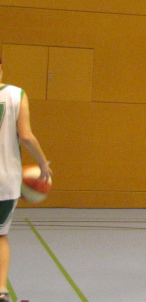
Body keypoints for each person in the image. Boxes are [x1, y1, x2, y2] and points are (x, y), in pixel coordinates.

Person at [0, 58, 52, 302]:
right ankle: (1, 289)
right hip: (5, 180)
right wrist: (42, 163)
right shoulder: (15, 94)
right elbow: (26, 136)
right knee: (0, 237)